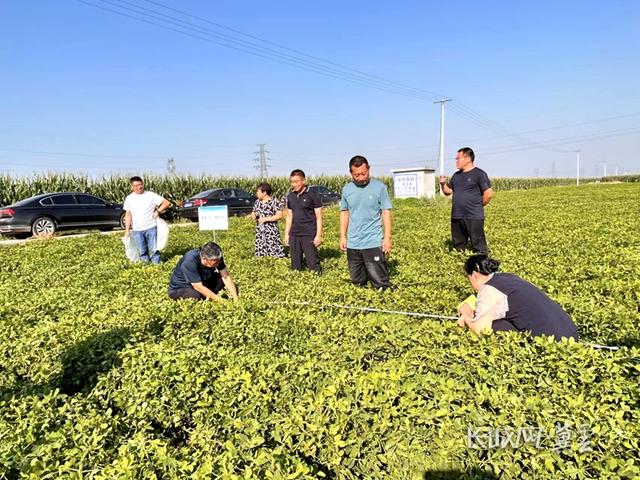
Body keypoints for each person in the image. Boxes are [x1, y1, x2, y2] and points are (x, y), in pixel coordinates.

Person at [457, 254, 578, 341]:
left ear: (474, 275)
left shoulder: (488, 289)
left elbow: (479, 329)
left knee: (495, 326)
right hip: (570, 333)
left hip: (552, 341)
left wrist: (466, 316)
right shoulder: (508, 277)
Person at [339, 155, 392, 290]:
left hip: (373, 241)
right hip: (353, 242)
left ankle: (382, 307)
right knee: (357, 283)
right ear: (351, 173)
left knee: (380, 283)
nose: (361, 178)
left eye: (364, 173)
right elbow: (344, 213)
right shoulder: (346, 190)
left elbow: (386, 213)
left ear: (369, 169)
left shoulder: (379, 187)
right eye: (357, 175)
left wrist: (387, 238)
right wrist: (343, 237)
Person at [439, 147, 494, 254]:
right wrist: (443, 184)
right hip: (457, 215)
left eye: (458, 158)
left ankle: (480, 267)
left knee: (479, 246)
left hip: (473, 216)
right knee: (458, 246)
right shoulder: (456, 176)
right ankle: (459, 264)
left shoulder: (479, 174)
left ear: (468, 159)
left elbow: (488, 194)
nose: (456, 161)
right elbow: (448, 191)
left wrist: (477, 206)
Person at [123, 176, 171, 264]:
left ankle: (157, 267)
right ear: (131, 187)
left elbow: (166, 203)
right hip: (137, 229)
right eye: (136, 185)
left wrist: (158, 211)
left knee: (154, 250)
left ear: (143, 184)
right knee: (142, 251)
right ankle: (146, 267)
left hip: (151, 227)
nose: (139, 187)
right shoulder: (129, 198)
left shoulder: (150, 195)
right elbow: (128, 215)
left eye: (140, 184)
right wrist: (127, 230)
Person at [168, 242, 238, 301]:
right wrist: (220, 301)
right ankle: (208, 296)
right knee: (196, 295)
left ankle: (208, 295)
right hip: (181, 287)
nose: (218, 264)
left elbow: (225, 276)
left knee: (222, 280)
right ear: (204, 258)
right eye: (215, 263)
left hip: (203, 280)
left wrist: (236, 298)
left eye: (218, 261)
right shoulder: (190, 261)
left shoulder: (216, 257)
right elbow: (198, 286)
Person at [284, 169, 323, 273]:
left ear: (303, 181)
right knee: (295, 265)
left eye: (296, 181)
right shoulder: (290, 196)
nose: (294, 184)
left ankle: (317, 282)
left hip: (308, 233)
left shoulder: (312, 195)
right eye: (292, 182)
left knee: (313, 263)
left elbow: (319, 216)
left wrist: (318, 235)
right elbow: (289, 216)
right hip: (294, 233)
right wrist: (287, 234)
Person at [249, 182, 285, 258]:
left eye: (258, 191)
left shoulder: (274, 202)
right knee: (260, 249)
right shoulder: (257, 202)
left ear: (264, 192)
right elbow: (253, 212)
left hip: (271, 231)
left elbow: (279, 215)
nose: (257, 193)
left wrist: (266, 219)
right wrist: (253, 215)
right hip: (260, 231)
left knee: (273, 249)